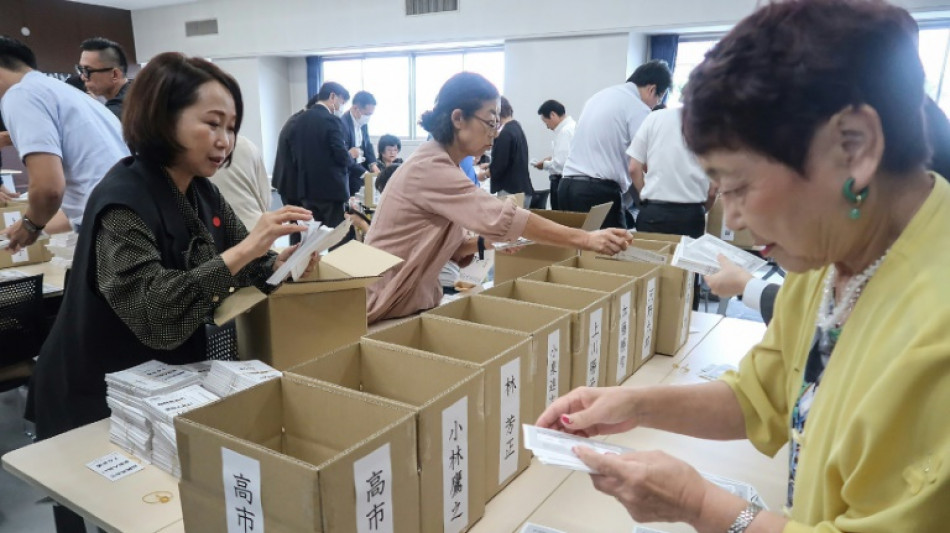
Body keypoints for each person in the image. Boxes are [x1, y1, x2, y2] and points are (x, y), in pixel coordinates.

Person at [537, 1, 949, 531]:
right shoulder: (833, 258)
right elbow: (763, 394)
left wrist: (700, 506)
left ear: (855, 146)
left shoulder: (934, 335)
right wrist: (632, 404)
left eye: (738, 185)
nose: (731, 217)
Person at [29, 52, 315, 533]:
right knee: (104, 514)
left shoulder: (201, 190)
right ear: (164, 118)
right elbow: (155, 310)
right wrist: (247, 251)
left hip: (160, 382)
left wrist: (283, 260)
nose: (225, 141)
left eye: (231, 126)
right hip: (94, 388)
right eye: (212, 123)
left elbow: (241, 264)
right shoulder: (124, 198)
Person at [364, 72, 633, 323]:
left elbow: (454, 248)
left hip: (409, 301)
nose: (494, 134)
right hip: (387, 302)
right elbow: (506, 217)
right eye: (490, 122)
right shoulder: (430, 167)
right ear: (458, 118)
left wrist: (489, 241)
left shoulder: (446, 164)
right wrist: (585, 238)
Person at [0, 36, 128, 251]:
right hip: (128, 218)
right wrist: (27, 228)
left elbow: (48, 188)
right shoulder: (69, 94)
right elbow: (81, 203)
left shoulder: (20, 95)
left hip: (112, 229)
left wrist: (30, 225)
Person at [559, 60, 672, 227]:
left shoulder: (599, 96)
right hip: (596, 193)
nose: (656, 105)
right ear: (652, 90)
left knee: (579, 250)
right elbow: (645, 163)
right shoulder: (638, 107)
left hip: (567, 187)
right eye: (659, 98)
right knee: (614, 248)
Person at [628, 107, 716, 237]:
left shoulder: (654, 118)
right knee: (684, 257)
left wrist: (645, 199)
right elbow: (714, 189)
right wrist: (701, 210)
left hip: (653, 213)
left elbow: (633, 168)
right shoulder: (710, 124)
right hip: (690, 216)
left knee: (649, 256)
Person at [287, 81, 351, 227]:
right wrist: (351, 158)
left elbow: (295, 153)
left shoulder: (299, 120)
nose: (341, 107)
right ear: (332, 96)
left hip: (307, 189)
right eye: (342, 102)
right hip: (331, 190)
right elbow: (341, 155)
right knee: (335, 237)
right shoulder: (332, 120)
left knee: (312, 237)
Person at [207, 135, 271, 231]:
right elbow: (265, 198)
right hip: (257, 229)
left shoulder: (194, 153)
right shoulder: (247, 145)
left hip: (217, 233)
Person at [489, 96, 533, 206]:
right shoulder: (517, 128)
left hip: (510, 192)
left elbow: (499, 166)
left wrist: (485, 173)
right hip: (522, 189)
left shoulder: (505, 133)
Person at [534, 99, 575, 210]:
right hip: (570, 183)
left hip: (561, 181)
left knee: (560, 219)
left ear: (552, 115)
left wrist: (544, 164)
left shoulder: (565, 132)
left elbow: (561, 164)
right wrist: (552, 158)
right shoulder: (573, 127)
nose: (547, 127)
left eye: (546, 122)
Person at [78, 37, 132, 119]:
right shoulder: (135, 92)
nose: (83, 77)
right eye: (81, 70)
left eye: (87, 70)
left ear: (115, 75)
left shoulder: (117, 112)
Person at [342, 91, 380, 181]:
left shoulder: (363, 122)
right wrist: (364, 173)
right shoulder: (342, 124)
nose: (368, 117)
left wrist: (372, 164)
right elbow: (345, 155)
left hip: (362, 167)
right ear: (355, 108)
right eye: (367, 114)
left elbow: (367, 145)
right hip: (349, 173)